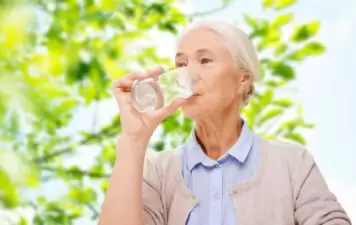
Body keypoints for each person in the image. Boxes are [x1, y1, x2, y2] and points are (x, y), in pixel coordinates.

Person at [99, 20, 351, 225]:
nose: (187, 76)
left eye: (205, 60)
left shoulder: (292, 163)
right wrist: (133, 139)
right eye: (181, 64)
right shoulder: (157, 171)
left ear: (242, 80)